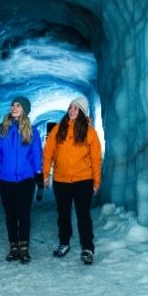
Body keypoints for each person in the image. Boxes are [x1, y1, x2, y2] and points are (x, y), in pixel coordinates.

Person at [43, 96, 102, 265]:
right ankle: (64, 243)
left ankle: (87, 247)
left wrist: (96, 182)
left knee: (83, 214)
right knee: (63, 214)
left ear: (82, 112)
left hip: (83, 180)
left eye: (76, 108)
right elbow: (48, 152)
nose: (72, 111)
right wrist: (46, 174)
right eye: (71, 108)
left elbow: (95, 158)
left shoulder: (90, 132)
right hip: (61, 180)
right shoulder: (58, 130)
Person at [0, 96, 44, 263]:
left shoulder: (32, 131)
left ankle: (24, 248)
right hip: (6, 179)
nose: (14, 107)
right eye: (12, 105)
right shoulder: (1, 130)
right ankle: (14, 247)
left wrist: (39, 177)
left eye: (18, 105)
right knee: (11, 214)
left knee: (23, 213)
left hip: (26, 179)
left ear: (24, 109)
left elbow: (36, 156)